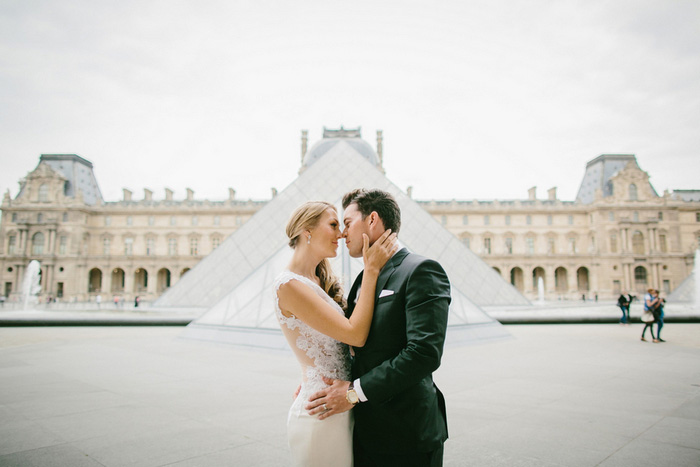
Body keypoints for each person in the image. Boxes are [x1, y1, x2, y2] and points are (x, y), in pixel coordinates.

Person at [306, 189, 451, 467]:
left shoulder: (421, 270)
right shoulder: (364, 278)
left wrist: (352, 393)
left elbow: (423, 353)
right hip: (364, 430)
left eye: (347, 223)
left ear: (372, 220)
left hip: (407, 433)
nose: (341, 233)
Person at [274, 200, 398, 467]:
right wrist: (372, 270)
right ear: (306, 231)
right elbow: (355, 335)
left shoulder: (317, 279)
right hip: (320, 415)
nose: (341, 234)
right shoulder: (289, 285)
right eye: (333, 225)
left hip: (340, 404)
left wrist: (316, 371)